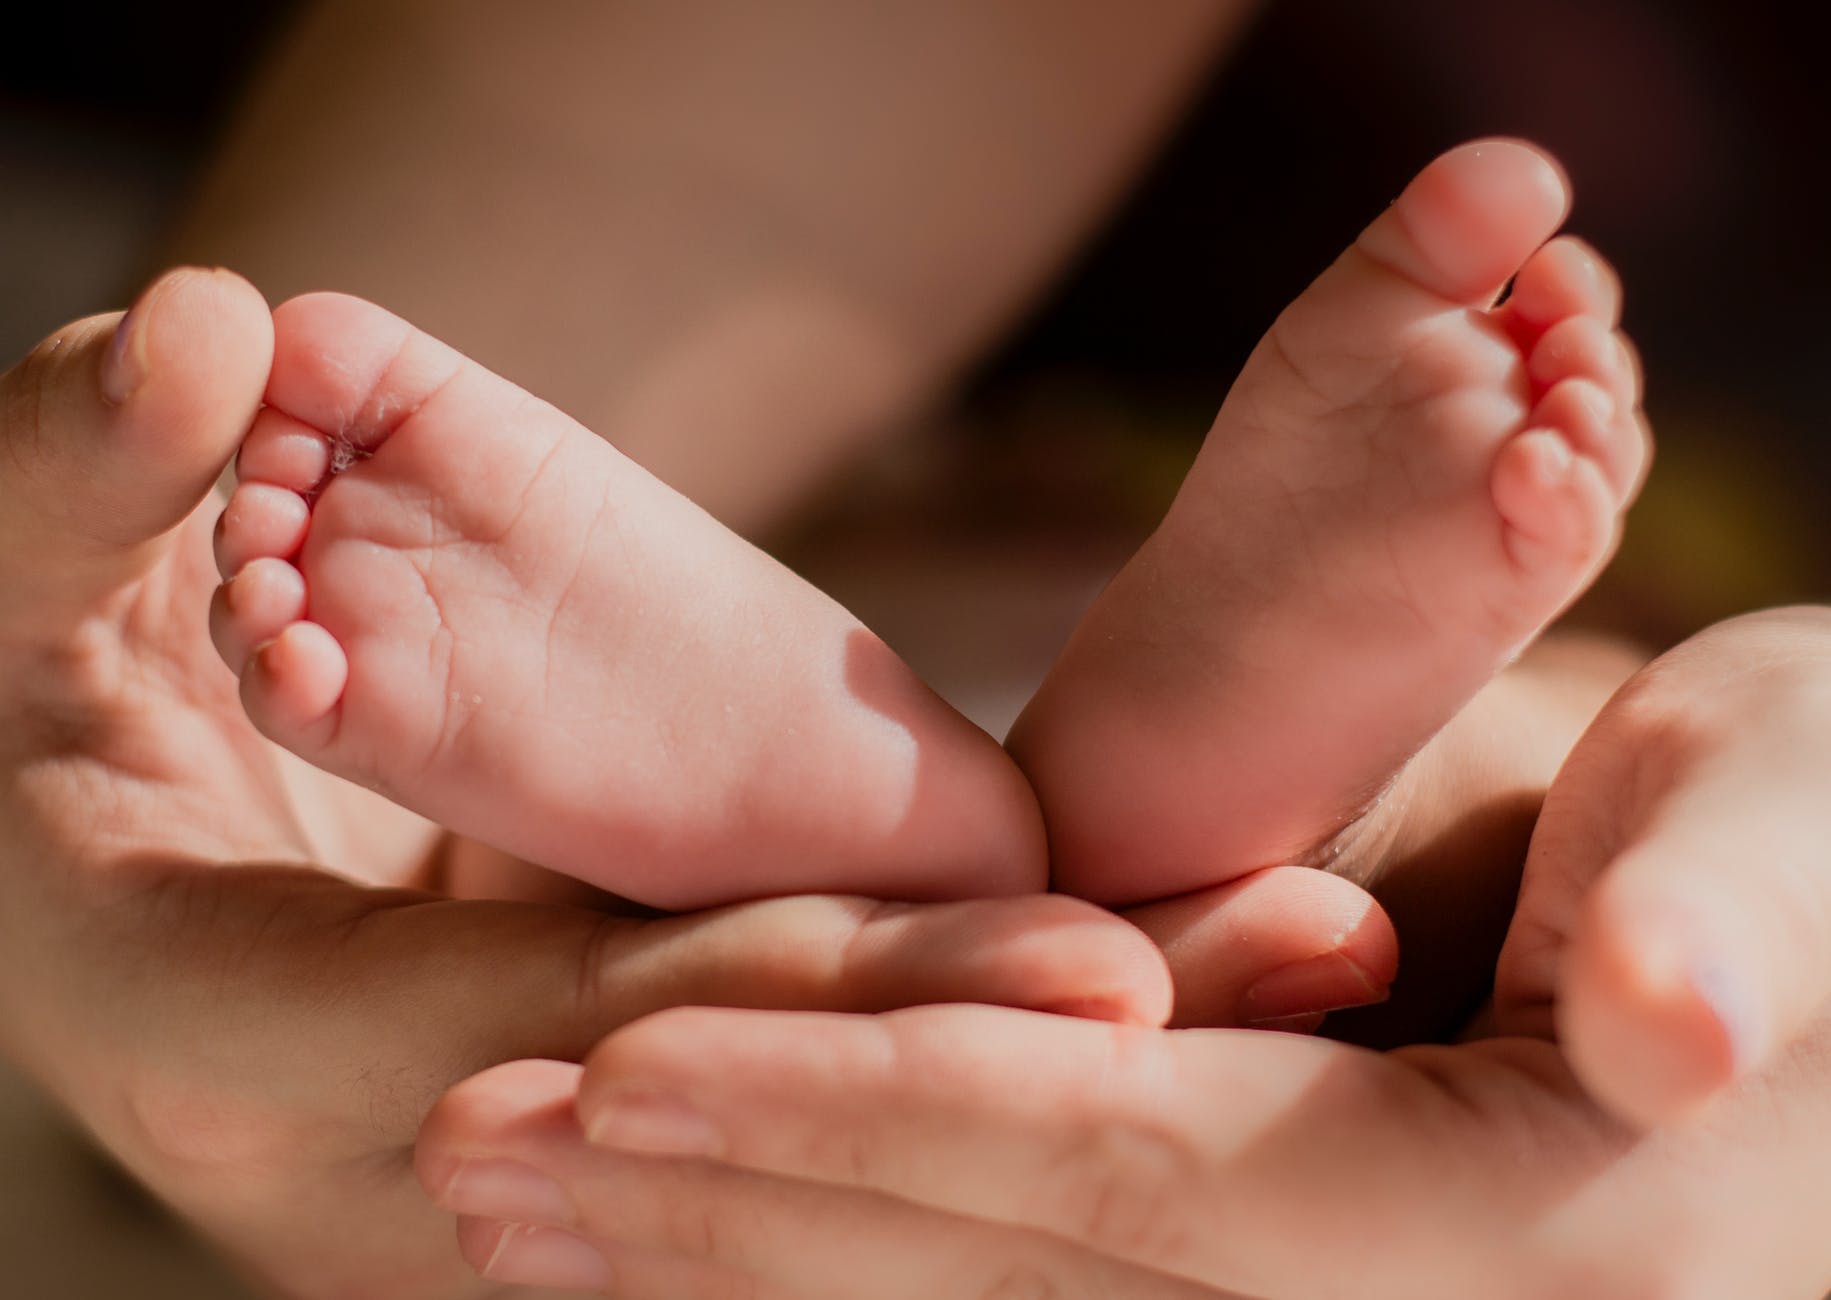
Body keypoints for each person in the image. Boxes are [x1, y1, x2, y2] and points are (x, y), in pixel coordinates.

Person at [205, 138, 1641, 921]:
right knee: (1516, 814)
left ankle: (636, 849)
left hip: (945, 535)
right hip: (1025, 526)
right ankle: (1301, 816)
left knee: (499, 920)